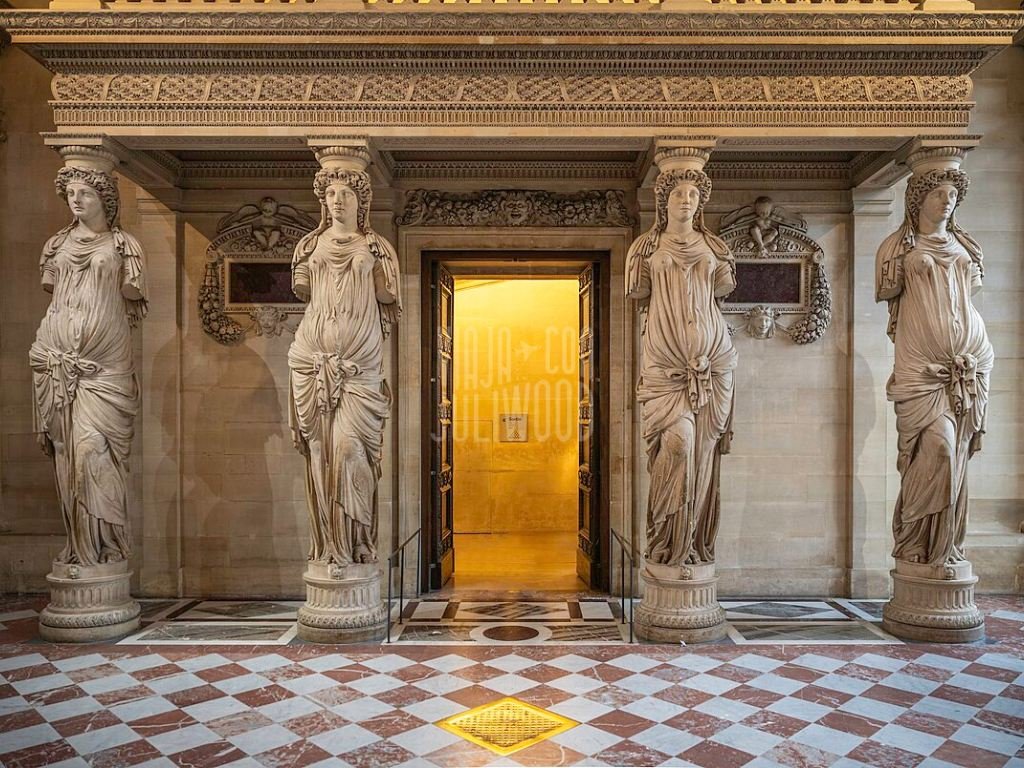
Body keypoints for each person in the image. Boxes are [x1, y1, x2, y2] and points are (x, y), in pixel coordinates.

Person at [30, 167, 147, 566]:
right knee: (67, 454)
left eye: (86, 193)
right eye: (71, 193)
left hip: (105, 364)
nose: (77, 200)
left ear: (105, 199)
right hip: (54, 359)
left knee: (93, 450)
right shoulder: (56, 244)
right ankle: (82, 549)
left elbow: (130, 292)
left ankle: (107, 545)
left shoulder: (123, 245)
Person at [876, 169, 992, 567]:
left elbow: (970, 292)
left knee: (955, 454)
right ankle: (915, 541)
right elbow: (888, 290)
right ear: (918, 199)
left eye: (952, 196)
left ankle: (944, 550)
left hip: (970, 364)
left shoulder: (965, 246)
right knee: (937, 449)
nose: (947, 202)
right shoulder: (899, 247)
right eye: (939, 194)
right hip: (920, 368)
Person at [288, 168, 401, 566]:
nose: (338, 199)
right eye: (331, 193)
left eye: (347, 193)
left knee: (351, 451)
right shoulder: (308, 246)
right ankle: (328, 550)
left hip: (359, 368)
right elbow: (303, 290)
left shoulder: (377, 247)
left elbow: (387, 297)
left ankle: (357, 542)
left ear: (361, 201)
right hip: (311, 363)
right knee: (320, 457)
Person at [626, 169, 737, 566]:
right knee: (678, 444)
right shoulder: (646, 247)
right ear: (664, 202)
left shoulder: (714, 246)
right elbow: (638, 292)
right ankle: (665, 543)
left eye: (693, 194)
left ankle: (691, 549)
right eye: (678, 194)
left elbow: (722, 288)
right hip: (665, 367)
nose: (686, 200)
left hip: (714, 367)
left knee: (704, 457)